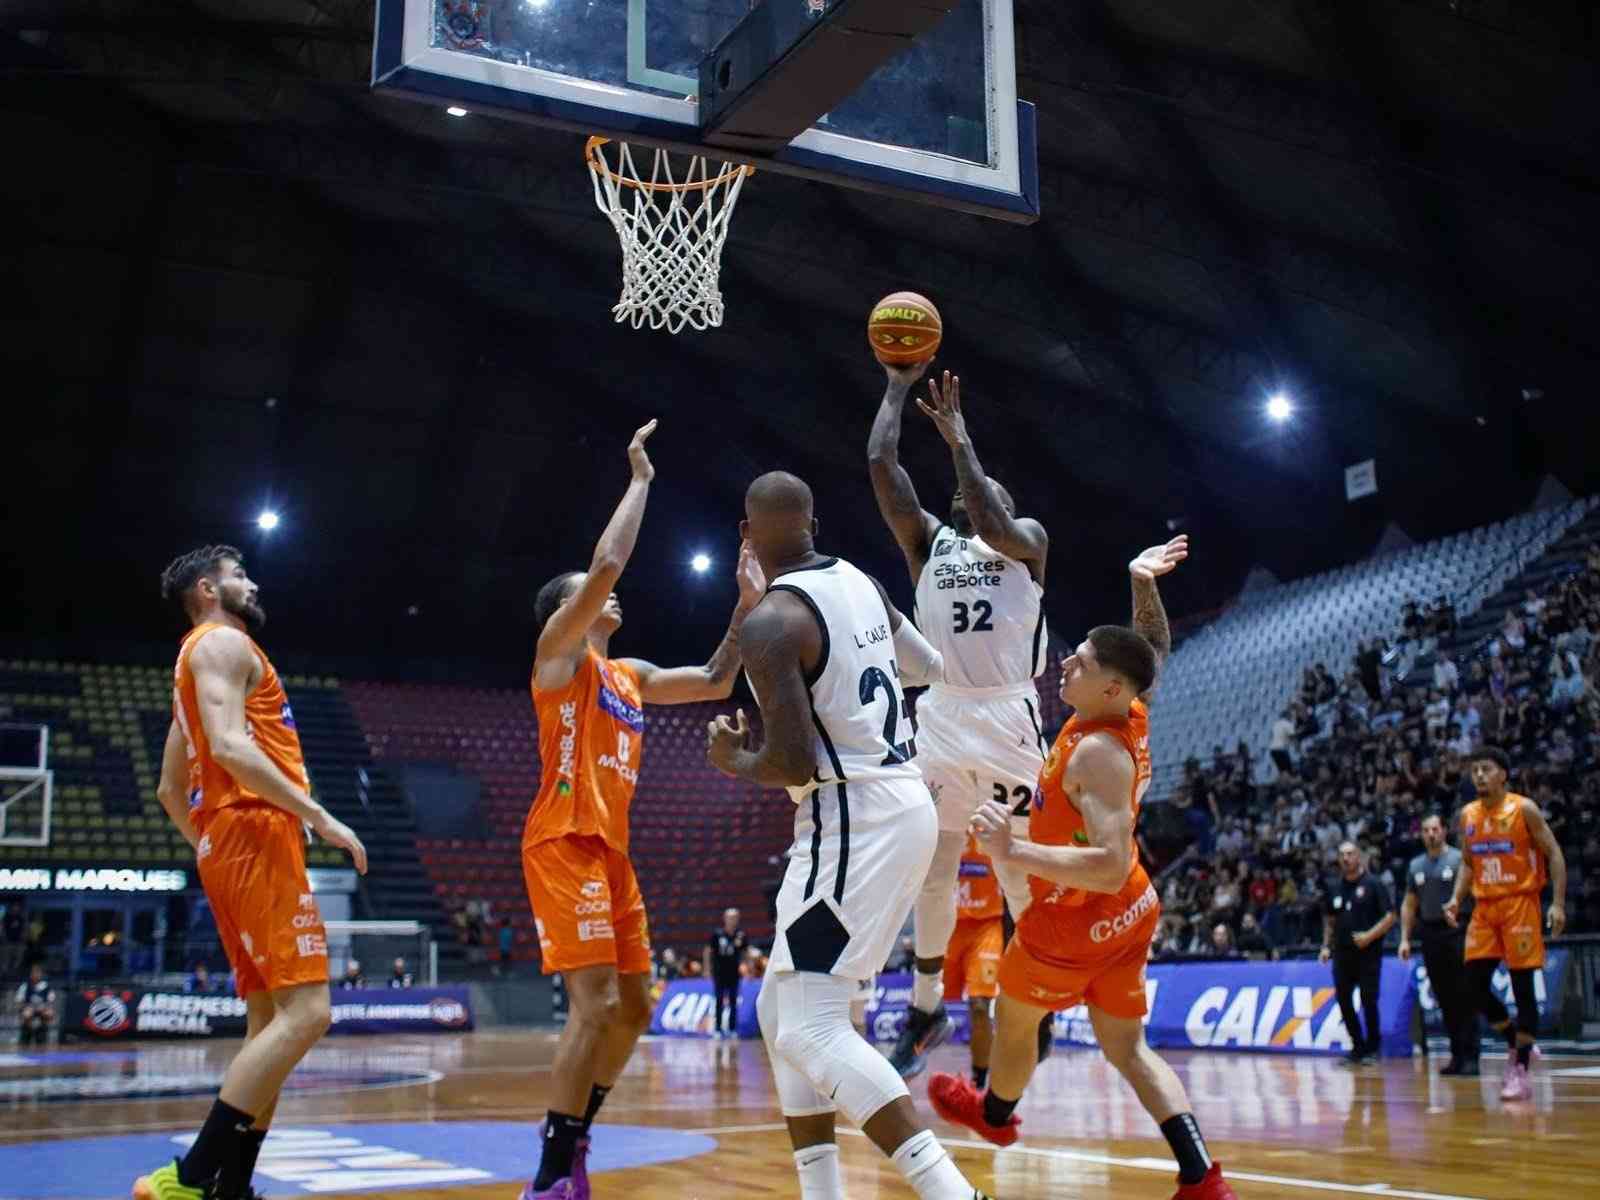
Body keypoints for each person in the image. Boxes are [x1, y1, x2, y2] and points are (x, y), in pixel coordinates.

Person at [706, 470, 992, 1200]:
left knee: (810, 1027)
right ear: (812, 521)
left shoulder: (774, 622)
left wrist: (732, 758)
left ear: (748, 532)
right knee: (779, 1009)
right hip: (900, 800)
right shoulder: (859, 580)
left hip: (851, 817)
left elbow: (791, 760)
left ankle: (955, 1195)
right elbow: (925, 667)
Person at [929, 538, 1238, 1200]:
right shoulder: (1127, 705)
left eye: (1084, 660)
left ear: (1110, 686)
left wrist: (1015, 853)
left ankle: (996, 1116)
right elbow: (1150, 655)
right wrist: (1139, 580)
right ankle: (1201, 1177)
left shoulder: (1098, 753)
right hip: (1131, 910)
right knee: (1127, 1048)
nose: (1068, 661)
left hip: (1075, 916)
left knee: (1014, 1020)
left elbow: (1107, 862)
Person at [521, 420, 766, 1200]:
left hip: (611, 852)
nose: (612, 594)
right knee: (592, 1008)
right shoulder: (561, 658)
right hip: (563, 840)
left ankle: (576, 1128)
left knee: (636, 1006)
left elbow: (717, 679)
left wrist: (745, 604)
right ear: (567, 610)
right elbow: (607, 562)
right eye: (589, 595)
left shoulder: (626, 673)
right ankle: (551, 1174)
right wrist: (641, 481)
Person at [136, 544, 369, 1200]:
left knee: (269, 1023)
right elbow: (233, 747)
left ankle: (230, 1189)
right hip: (255, 831)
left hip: (227, 840)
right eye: (239, 575)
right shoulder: (222, 646)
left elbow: (167, 788)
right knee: (310, 1012)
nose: (253, 581)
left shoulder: (192, 663)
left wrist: (209, 843)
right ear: (208, 589)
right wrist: (319, 816)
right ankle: (187, 1178)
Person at [867, 365, 1049, 1078]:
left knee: (1018, 869)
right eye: (961, 492)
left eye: (976, 489)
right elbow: (882, 466)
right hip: (940, 718)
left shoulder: (1025, 538)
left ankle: (1037, 990)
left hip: (1007, 717)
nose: (964, 495)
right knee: (932, 870)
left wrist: (958, 439)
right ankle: (923, 1008)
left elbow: (993, 515)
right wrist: (892, 387)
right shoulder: (929, 545)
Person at [1443, 745, 1568, 1102]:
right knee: (1471, 987)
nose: (1479, 775)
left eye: (1486, 769)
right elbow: (1468, 862)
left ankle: (1521, 1069)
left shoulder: (1522, 809)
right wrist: (1456, 897)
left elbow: (1554, 853)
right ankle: (1516, 1041)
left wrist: (1557, 904)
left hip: (1519, 904)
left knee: (1523, 987)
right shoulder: (1468, 815)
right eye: (1475, 770)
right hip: (1485, 907)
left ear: (1503, 775)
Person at [1398, 813, 1474, 1074]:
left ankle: (1471, 1055)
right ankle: (1456, 1056)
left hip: (1457, 929)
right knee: (1443, 996)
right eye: (1426, 830)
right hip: (1429, 932)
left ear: (1444, 831)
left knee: (1465, 993)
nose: (1431, 834)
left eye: (1435, 829)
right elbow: (1409, 904)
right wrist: (1405, 939)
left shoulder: (1457, 859)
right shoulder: (1416, 865)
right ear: (1421, 834)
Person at [1319, 842, 1396, 1067]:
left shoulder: (1374, 884)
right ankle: (1357, 1046)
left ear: (1359, 857)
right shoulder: (1334, 887)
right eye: (1342, 855)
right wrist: (1325, 946)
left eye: (1350, 854)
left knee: (1368, 1000)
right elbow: (1330, 921)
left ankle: (1373, 1047)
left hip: (1368, 953)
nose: (1346, 858)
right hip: (1342, 954)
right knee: (1343, 999)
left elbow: (1390, 916)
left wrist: (1369, 936)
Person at [944, 833, 1005, 1090]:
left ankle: (979, 1084)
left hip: (986, 926)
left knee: (980, 1005)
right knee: (930, 1008)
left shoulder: (992, 819)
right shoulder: (941, 817)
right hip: (946, 924)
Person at [705, 908, 748, 1039]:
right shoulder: (717, 934)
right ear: (724, 918)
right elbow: (708, 951)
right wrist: (707, 969)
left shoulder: (741, 935)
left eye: (735, 917)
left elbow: (745, 952)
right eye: (730, 917)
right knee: (718, 1000)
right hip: (719, 973)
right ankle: (717, 1028)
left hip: (734, 973)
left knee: (733, 1001)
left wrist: (746, 967)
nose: (732, 920)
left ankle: (732, 1029)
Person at [14, 963, 54, 1046]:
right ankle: (26, 1038)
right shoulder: (25, 986)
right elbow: (19, 1002)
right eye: (34, 973)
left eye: (38, 973)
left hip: (42, 1009)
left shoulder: (46, 986)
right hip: (29, 1008)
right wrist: (27, 1007)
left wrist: (44, 1008)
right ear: (31, 974)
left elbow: (50, 1002)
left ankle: (41, 1037)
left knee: (49, 1013)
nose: (36, 975)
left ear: (41, 974)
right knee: (26, 1014)